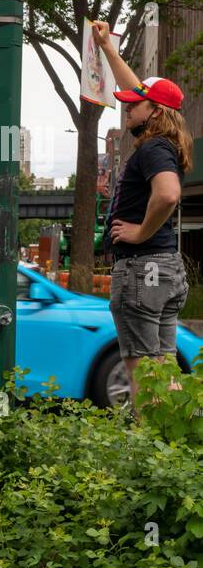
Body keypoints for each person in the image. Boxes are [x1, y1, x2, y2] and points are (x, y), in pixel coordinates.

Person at [91, 20, 193, 398]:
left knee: (141, 377)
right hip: (165, 268)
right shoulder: (166, 142)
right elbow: (139, 89)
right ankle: (168, 450)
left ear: (154, 111)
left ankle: (146, 448)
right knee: (162, 370)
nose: (127, 108)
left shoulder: (152, 148)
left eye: (135, 105)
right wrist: (109, 50)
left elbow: (167, 195)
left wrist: (139, 232)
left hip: (140, 268)